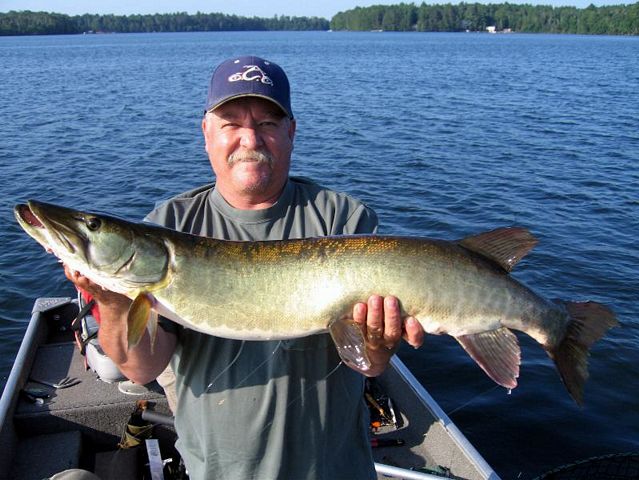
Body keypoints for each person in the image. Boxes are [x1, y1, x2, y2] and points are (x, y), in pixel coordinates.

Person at [65, 56, 424, 480]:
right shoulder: (170, 225)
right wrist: (113, 303)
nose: (249, 138)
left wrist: (380, 344)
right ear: (207, 134)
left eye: (268, 124)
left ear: (291, 132)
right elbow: (142, 368)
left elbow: (370, 364)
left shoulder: (343, 219)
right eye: (231, 123)